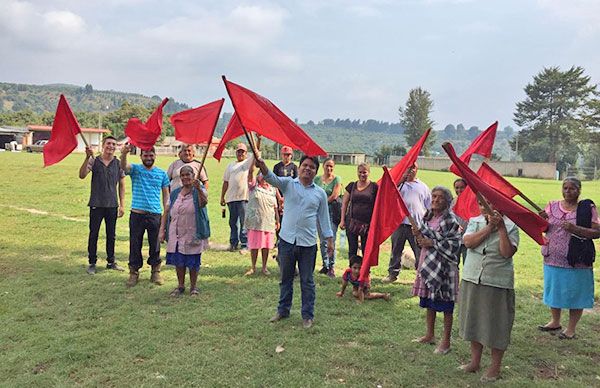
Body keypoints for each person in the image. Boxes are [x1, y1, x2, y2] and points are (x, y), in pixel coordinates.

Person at [255, 155, 333, 329]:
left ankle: (307, 315)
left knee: (307, 281)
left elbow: (324, 219)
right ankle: (283, 310)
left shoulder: (319, 193)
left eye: (311, 167)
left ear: (315, 171)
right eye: (304, 165)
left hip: (308, 245)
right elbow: (271, 178)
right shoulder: (289, 184)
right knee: (285, 278)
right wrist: (262, 165)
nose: (307, 169)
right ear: (299, 167)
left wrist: (329, 240)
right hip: (287, 241)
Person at [459, 199, 519, 383]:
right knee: (474, 320)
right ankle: (474, 362)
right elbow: (468, 242)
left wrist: (500, 228)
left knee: (497, 324)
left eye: (490, 204)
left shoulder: (511, 226)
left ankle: (495, 367)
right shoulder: (474, 221)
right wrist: (488, 229)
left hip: (496, 279)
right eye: (482, 204)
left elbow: (507, 252)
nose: (485, 208)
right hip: (472, 276)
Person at [537, 177, 600, 339]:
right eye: (565, 188)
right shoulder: (552, 206)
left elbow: (597, 232)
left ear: (579, 190)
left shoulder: (587, 208)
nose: (568, 192)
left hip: (577, 260)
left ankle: (571, 329)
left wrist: (575, 228)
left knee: (576, 293)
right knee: (554, 289)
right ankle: (555, 321)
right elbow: (544, 228)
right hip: (553, 257)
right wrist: (541, 220)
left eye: (572, 189)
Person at [411, 186, 461, 355]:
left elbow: (454, 245)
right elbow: (424, 239)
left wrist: (432, 243)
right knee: (429, 301)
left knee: (446, 305)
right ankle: (429, 335)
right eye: (433, 196)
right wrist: (419, 236)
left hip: (444, 267)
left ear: (447, 201)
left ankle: (446, 341)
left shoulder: (451, 221)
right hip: (428, 264)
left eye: (440, 197)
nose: (435, 200)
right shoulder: (427, 216)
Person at [120, 144, 170, 287]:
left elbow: (166, 195)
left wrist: (166, 212)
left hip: (155, 214)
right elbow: (124, 168)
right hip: (137, 214)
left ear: (155, 156)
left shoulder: (162, 174)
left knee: (155, 244)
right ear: (141, 156)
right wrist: (124, 154)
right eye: (145, 155)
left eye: (151, 155)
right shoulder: (136, 170)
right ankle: (134, 272)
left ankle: (155, 271)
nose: (148, 158)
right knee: (135, 244)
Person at [159, 165, 210, 297]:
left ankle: (193, 287)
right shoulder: (175, 192)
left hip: (193, 230)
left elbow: (203, 203)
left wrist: (198, 188)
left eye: (188, 174)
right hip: (176, 231)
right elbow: (167, 211)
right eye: (182, 175)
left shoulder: (199, 190)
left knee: (193, 260)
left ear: (193, 176)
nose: (185, 177)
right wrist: (162, 230)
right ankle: (180, 286)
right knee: (179, 259)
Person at [79, 136, 126, 274]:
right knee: (94, 233)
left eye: (113, 144)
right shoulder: (94, 161)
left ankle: (111, 262)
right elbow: (82, 175)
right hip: (96, 203)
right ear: (103, 145)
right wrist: (87, 158)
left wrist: (122, 204)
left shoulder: (118, 164)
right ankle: (92, 262)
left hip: (112, 204)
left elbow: (122, 184)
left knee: (111, 235)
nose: (111, 146)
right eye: (108, 143)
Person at [382, 163, 431, 283]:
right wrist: (400, 181)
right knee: (396, 249)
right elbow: (388, 195)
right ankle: (392, 274)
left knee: (419, 250)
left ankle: (421, 276)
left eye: (413, 168)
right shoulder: (398, 185)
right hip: (399, 223)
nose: (411, 170)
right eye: (408, 167)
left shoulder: (423, 187)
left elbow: (428, 206)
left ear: (417, 170)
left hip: (416, 225)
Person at [244, 166, 279, 276]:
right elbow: (250, 172)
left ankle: (264, 267)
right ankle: (253, 267)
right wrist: (255, 159)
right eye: (262, 175)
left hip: (268, 222)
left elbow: (275, 207)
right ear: (258, 177)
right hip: (255, 221)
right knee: (254, 245)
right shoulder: (253, 187)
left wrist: (277, 220)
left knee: (266, 246)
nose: (264, 178)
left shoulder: (272, 190)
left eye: (266, 175)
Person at [339, 163, 378, 261]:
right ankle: (352, 271)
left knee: (366, 249)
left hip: (367, 224)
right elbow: (344, 204)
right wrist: (342, 220)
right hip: (351, 222)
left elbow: (379, 205)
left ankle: (364, 272)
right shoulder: (352, 186)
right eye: (360, 172)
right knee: (352, 248)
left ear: (369, 172)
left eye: (364, 172)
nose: (362, 175)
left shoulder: (374, 187)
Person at [220, 143, 254, 252]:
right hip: (231, 198)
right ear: (236, 152)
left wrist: (257, 141)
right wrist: (222, 197)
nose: (240, 153)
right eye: (239, 151)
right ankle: (233, 243)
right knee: (232, 222)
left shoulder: (247, 163)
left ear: (246, 153)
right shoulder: (230, 165)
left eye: (242, 152)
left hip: (243, 197)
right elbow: (225, 182)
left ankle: (244, 243)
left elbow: (255, 154)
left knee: (244, 222)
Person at [314, 158, 342, 277]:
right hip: (318, 213)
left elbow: (334, 195)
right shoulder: (317, 179)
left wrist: (322, 204)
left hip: (331, 212)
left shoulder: (336, 179)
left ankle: (331, 266)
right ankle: (325, 265)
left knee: (331, 240)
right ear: (323, 166)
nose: (329, 168)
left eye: (331, 166)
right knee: (322, 241)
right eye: (327, 166)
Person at [451, 178, 468, 264]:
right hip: (455, 239)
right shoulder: (453, 201)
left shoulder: (471, 202)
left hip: (467, 239)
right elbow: (450, 218)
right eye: (457, 188)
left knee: (467, 263)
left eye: (462, 187)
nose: (459, 190)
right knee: (453, 264)